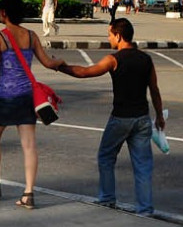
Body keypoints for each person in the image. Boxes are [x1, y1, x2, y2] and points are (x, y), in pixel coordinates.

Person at [58, 18, 165, 216]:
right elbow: (155, 90)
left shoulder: (113, 59)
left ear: (119, 35)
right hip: (142, 118)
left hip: (120, 118)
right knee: (142, 166)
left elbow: (85, 72)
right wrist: (159, 116)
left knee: (106, 157)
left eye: (110, 34)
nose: (109, 38)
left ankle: (107, 199)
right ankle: (145, 209)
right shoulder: (146, 59)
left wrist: (61, 66)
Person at [0, 0, 64, 210]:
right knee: (29, 146)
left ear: (4, 13)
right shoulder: (31, 35)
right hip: (27, 98)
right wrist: (60, 63)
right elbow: (47, 62)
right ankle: (28, 194)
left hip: (4, 97)